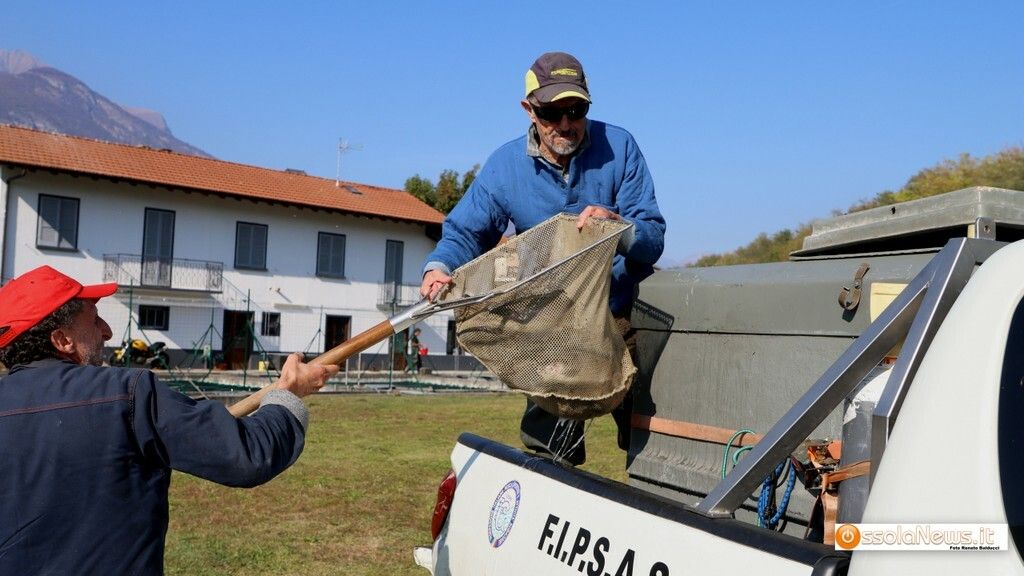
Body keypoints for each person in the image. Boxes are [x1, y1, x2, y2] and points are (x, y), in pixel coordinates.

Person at [0, 265, 339, 574]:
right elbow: (248, 454)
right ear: (62, 340)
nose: (106, 331)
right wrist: (289, 394)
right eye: (94, 320)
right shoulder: (126, 394)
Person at [420, 52, 666, 465]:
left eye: (576, 110)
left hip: (622, 310)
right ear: (529, 109)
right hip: (552, 324)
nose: (566, 124)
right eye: (552, 113)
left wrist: (619, 227)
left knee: (651, 440)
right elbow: (466, 232)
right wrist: (439, 267)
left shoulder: (621, 146)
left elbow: (653, 237)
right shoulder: (504, 166)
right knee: (547, 452)